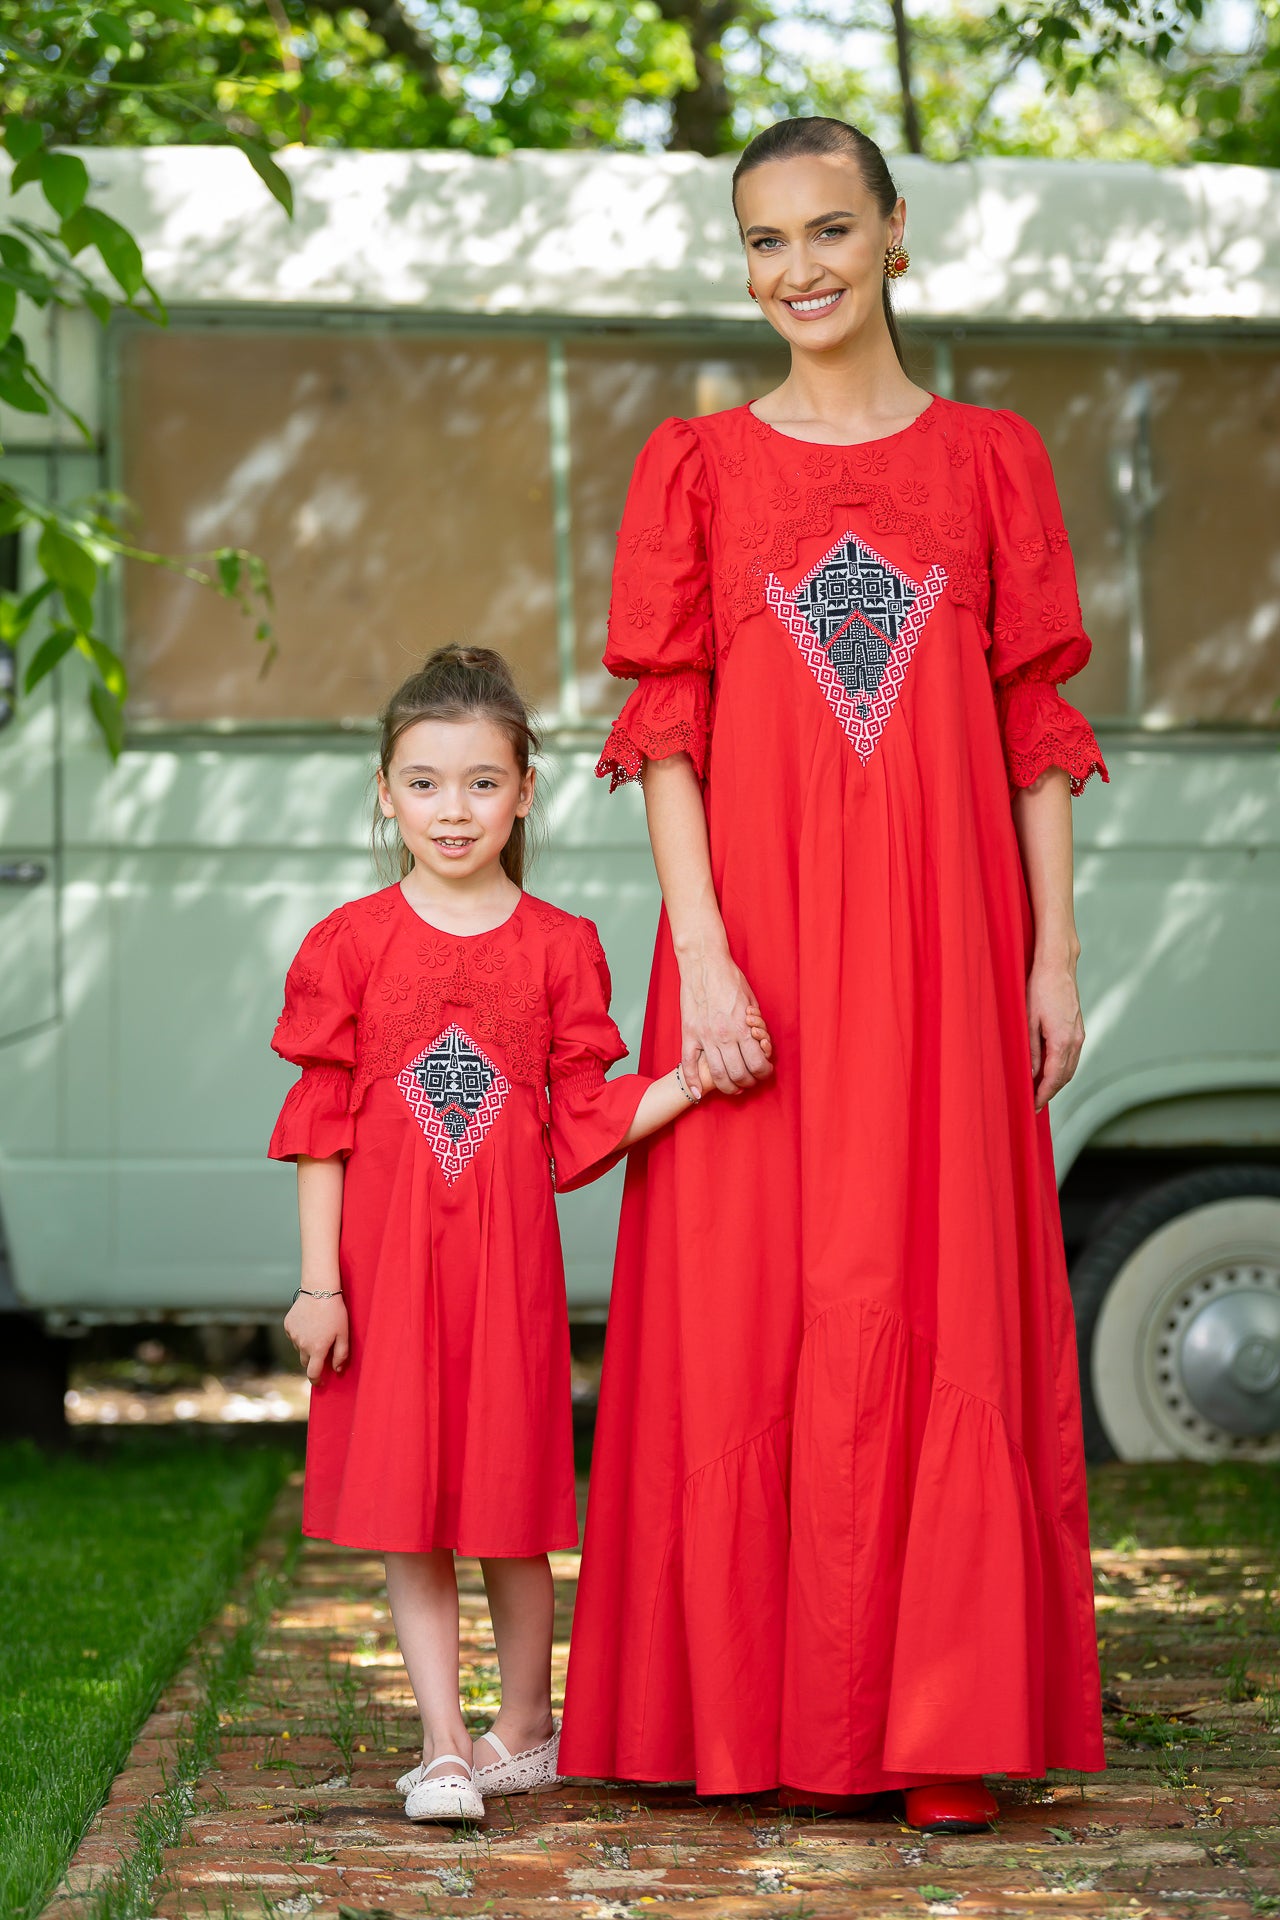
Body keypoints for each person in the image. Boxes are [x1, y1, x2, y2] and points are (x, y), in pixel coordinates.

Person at [559, 117, 1108, 1833]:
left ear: (893, 235)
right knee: (747, 1310)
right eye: (762, 241)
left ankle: (934, 1729)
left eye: (826, 231)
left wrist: (1055, 955)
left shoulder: (994, 462)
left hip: (951, 959)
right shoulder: (696, 469)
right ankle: (739, 1721)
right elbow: (667, 735)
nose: (795, 269)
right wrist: (705, 961)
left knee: (937, 1292)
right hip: (756, 963)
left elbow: (1032, 726)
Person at [268, 645, 769, 1825]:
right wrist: (318, 1286)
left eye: (481, 782)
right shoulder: (346, 945)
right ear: (385, 793)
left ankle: (525, 1725)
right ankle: (444, 1743)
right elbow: (320, 1127)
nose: (453, 810)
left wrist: (694, 1076)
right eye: (425, 783)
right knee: (406, 1513)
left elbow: (583, 1119)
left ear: (525, 792)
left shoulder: (558, 947)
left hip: (507, 1279)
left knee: (506, 1505)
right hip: (383, 1276)